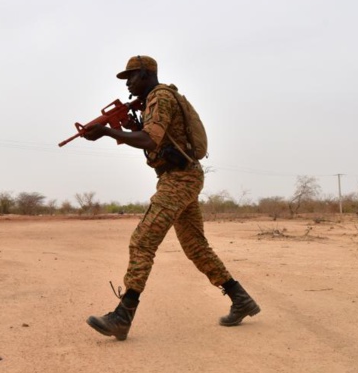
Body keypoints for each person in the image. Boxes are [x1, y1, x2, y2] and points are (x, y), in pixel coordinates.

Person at [82, 55, 260, 341]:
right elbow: (154, 137)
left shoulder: (159, 97)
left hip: (180, 178)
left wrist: (107, 131)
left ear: (145, 73)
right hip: (181, 176)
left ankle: (122, 316)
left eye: (131, 76)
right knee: (195, 246)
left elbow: (150, 140)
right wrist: (127, 127)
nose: (127, 83)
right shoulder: (157, 99)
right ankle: (240, 299)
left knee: (143, 240)